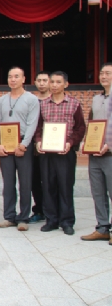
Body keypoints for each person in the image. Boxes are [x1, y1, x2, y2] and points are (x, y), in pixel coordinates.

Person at [34, 71, 85, 236]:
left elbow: (80, 128)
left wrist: (70, 142)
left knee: (65, 186)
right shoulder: (43, 104)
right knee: (48, 186)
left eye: (58, 82)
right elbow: (38, 127)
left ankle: (67, 221)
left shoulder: (74, 104)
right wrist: (38, 141)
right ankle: (51, 220)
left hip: (65, 152)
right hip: (47, 152)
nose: (54, 85)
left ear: (66, 84)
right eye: (52, 82)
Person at [0, 66, 40, 231]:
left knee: (25, 183)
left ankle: (23, 218)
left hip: (22, 144)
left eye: (16, 76)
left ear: (23, 79)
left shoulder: (31, 99)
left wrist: (24, 144)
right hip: (5, 145)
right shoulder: (2, 100)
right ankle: (9, 216)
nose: (13, 80)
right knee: (8, 183)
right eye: (10, 76)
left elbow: (32, 123)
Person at [82, 63, 112, 243]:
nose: (104, 76)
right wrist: (88, 143)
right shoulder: (96, 99)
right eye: (102, 73)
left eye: (108, 73)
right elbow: (92, 124)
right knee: (98, 192)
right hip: (95, 153)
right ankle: (102, 227)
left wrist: (109, 145)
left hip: (110, 153)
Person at [30, 71, 51, 224]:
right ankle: (39, 210)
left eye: (45, 80)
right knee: (35, 180)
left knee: (50, 180)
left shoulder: (54, 101)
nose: (42, 83)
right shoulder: (32, 101)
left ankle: (52, 210)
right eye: (39, 80)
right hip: (34, 147)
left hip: (52, 147)